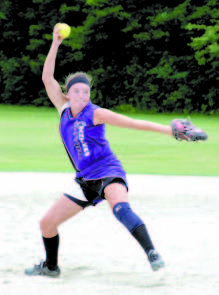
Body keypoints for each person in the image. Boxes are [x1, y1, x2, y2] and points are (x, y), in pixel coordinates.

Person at [25, 23, 173, 277]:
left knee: (120, 208)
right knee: (46, 224)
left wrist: (170, 131)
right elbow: (47, 78)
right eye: (77, 91)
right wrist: (55, 43)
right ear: (68, 94)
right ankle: (51, 267)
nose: (83, 95)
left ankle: (152, 252)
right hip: (84, 180)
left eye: (86, 91)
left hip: (107, 171)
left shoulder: (96, 113)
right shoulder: (63, 109)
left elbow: (134, 123)